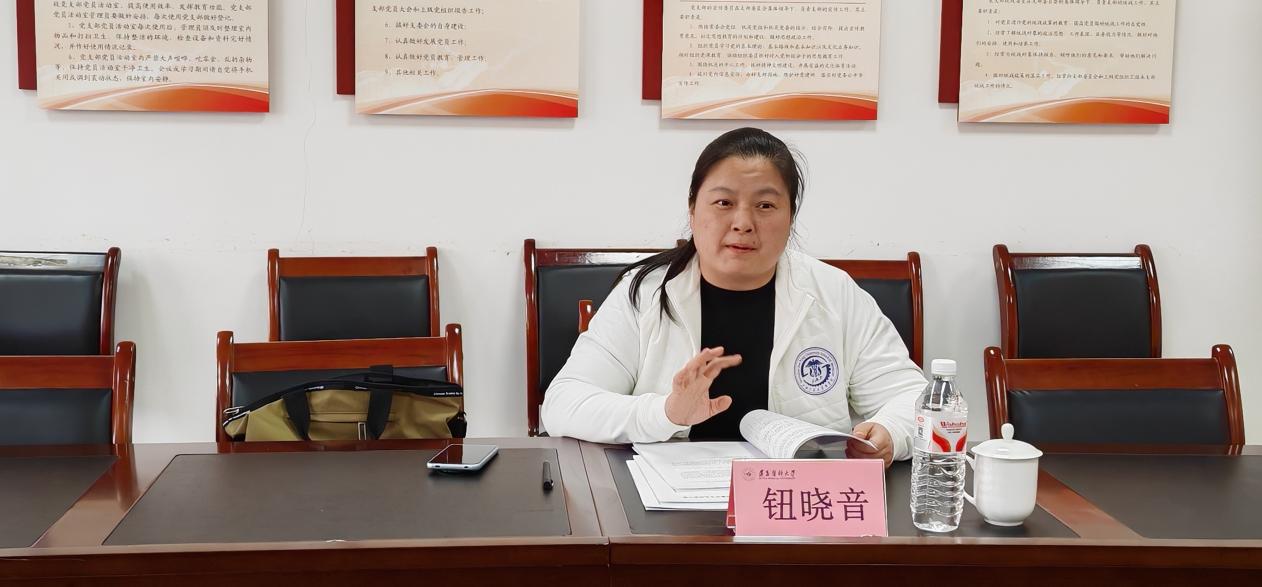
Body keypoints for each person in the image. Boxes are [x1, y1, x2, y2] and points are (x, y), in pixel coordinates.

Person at [541, 128, 925, 466]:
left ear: (791, 217)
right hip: (670, 508)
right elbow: (564, 404)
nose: (743, 223)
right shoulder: (646, 293)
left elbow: (915, 399)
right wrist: (666, 412)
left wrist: (892, 432)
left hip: (796, 505)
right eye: (724, 203)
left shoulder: (834, 293)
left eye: (765, 205)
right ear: (693, 210)